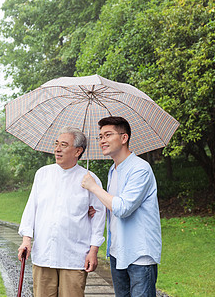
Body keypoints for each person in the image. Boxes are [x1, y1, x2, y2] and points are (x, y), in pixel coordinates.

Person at [18, 126, 106, 297]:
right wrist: (26, 239)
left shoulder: (90, 179)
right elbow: (31, 208)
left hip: (74, 256)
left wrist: (94, 251)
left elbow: (99, 217)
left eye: (64, 145)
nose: (57, 149)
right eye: (56, 144)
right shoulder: (43, 174)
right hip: (44, 253)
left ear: (78, 151)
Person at [81, 116, 161, 297]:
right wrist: (98, 208)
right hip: (118, 251)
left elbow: (124, 208)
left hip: (139, 254)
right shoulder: (113, 169)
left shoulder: (140, 169)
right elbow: (113, 203)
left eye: (108, 135)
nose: (102, 141)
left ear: (124, 138)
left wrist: (94, 187)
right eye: (100, 136)